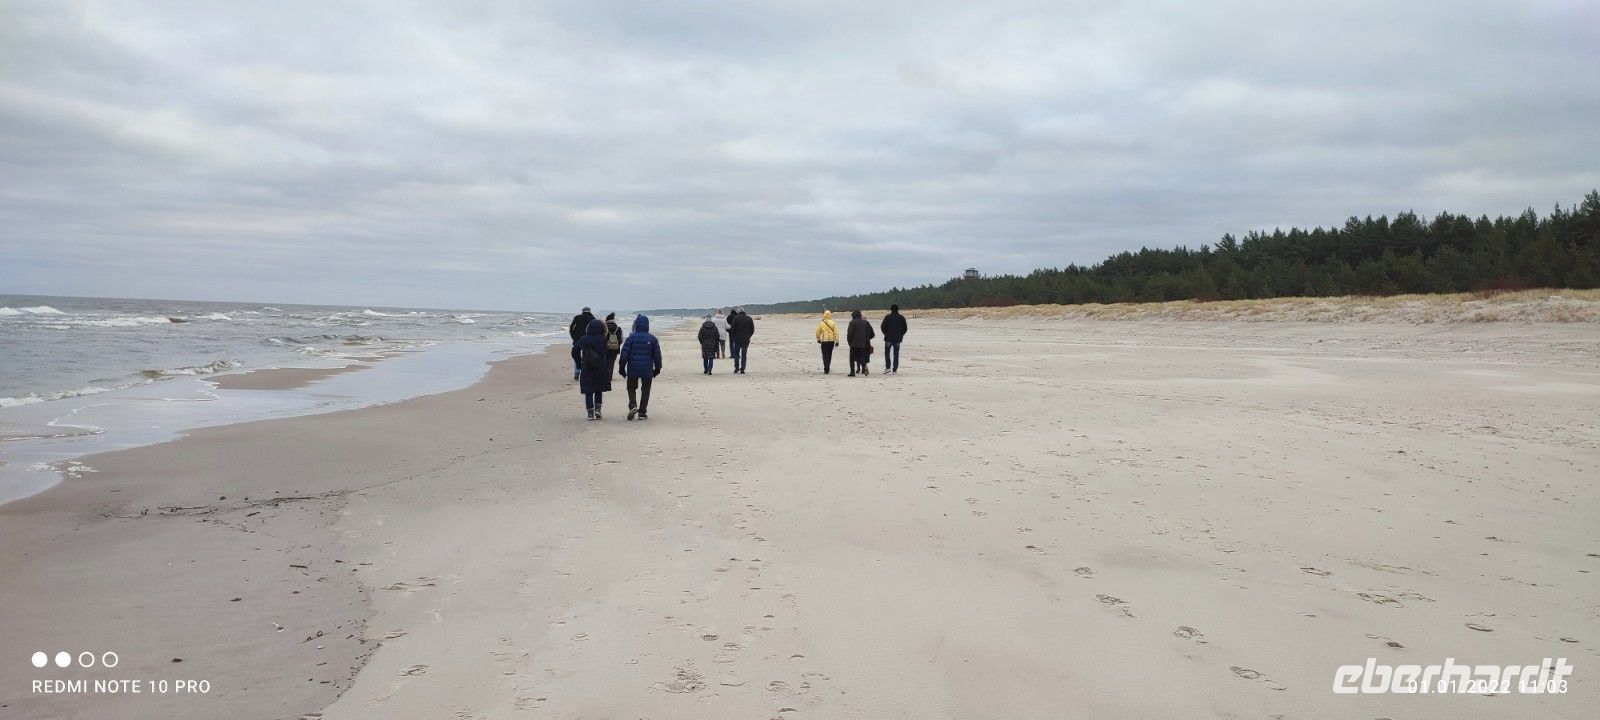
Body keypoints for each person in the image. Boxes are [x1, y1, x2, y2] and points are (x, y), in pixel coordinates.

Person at [618, 314, 662, 420]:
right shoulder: (653, 339)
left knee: (631, 388)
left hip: (633, 369)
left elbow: (624, 355)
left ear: (636, 325)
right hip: (647, 370)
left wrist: (621, 368)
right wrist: (657, 369)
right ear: (647, 325)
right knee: (645, 390)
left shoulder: (630, 338)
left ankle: (633, 405)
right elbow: (657, 356)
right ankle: (642, 413)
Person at [576, 318, 612, 419]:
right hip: (600, 367)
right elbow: (607, 353)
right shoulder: (603, 339)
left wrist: (579, 363)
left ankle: (590, 414)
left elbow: (575, 350)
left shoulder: (583, 339)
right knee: (598, 389)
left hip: (587, 368)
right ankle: (598, 410)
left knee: (588, 391)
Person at [568, 306, 595, 381]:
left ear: (582, 311)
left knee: (576, 356)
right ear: (590, 311)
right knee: (586, 356)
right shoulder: (593, 319)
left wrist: (573, 337)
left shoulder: (577, 317)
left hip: (577, 340)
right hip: (588, 340)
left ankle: (577, 373)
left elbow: (571, 328)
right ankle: (585, 373)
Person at [880, 304, 908, 373]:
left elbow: (882, 326)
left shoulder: (887, 317)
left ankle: (888, 367)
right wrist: (901, 335)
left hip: (888, 338)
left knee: (887, 353)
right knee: (896, 353)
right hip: (898, 338)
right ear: (898, 309)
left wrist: (885, 333)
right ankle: (895, 369)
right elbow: (905, 328)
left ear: (891, 309)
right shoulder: (901, 317)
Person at [846, 309, 874, 377]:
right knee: (860, 357)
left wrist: (849, 341)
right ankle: (864, 367)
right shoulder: (864, 323)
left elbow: (849, 333)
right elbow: (868, 333)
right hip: (862, 343)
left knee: (852, 358)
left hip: (853, 343)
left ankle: (852, 372)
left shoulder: (852, 322)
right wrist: (865, 340)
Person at [727, 306, 755, 373]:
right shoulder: (749, 318)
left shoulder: (736, 318)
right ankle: (742, 369)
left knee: (736, 354)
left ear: (738, 312)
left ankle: (736, 368)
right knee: (744, 354)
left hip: (737, 339)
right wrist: (749, 336)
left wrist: (733, 337)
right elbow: (752, 330)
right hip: (746, 339)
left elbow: (733, 329)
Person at [814, 309, 840, 374]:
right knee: (829, 355)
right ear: (830, 315)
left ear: (824, 315)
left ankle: (826, 368)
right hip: (831, 341)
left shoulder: (821, 323)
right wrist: (837, 341)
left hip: (824, 341)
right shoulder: (833, 322)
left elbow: (817, 332)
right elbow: (836, 332)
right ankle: (828, 367)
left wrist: (818, 339)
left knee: (825, 355)